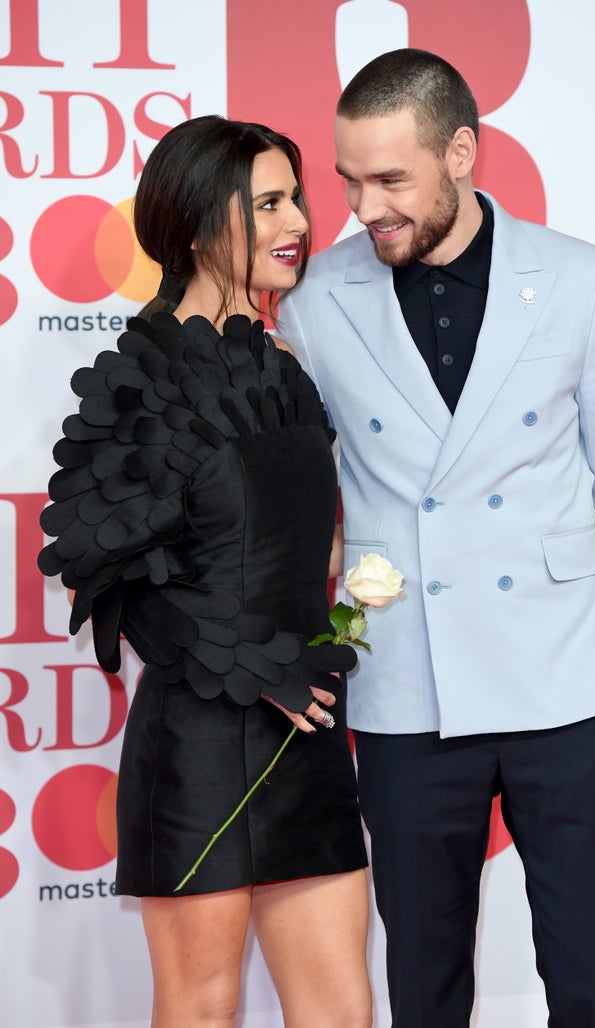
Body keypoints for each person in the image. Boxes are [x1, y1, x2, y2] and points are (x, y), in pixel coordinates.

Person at [277, 48, 595, 1028]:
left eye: (392, 179)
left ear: (462, 153)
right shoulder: (318, 299)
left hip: (573, 682)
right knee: (425, 983)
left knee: (588, 983)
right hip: (410, 686)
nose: (365, 207)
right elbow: (296, 491)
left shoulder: (579, 279)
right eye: (350, 179)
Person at [38, 115, 372, 1028]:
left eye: (294, 197)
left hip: (303, 734)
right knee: (199, 1008)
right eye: (266, 203)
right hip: (197, 743)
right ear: (194, 225)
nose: (297, 219)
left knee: (342, 1012)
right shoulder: (142, 380)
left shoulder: (291, 367)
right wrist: (249, 659)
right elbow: (99, 573)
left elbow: (307, 540)